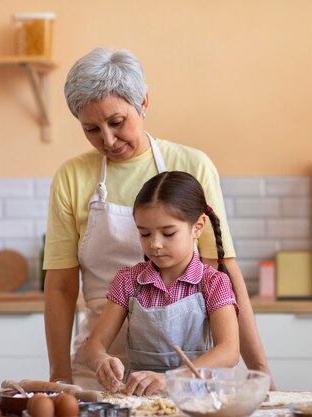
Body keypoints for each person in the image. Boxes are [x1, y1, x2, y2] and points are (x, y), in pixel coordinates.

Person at [43, 47, 274, 390]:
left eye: (117, 123)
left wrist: (262, 373)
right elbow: (61, 288)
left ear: (144, 103)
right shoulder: (71, 177)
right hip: (103, 371)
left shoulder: (193, 166)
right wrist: (59, 377)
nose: (107, 140)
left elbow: (221, 271)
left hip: (190, 369)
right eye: (91, 129)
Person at [78, 171, 240, 395]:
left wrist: (171, 379)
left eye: (168, 233)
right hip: (141, 402)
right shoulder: (127, 281)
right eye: (145, 234)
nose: (155, 244)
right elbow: (92, 346)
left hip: (200, 400)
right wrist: (101, 360)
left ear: (198, 226)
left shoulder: (213, 282)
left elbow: (229, 351)